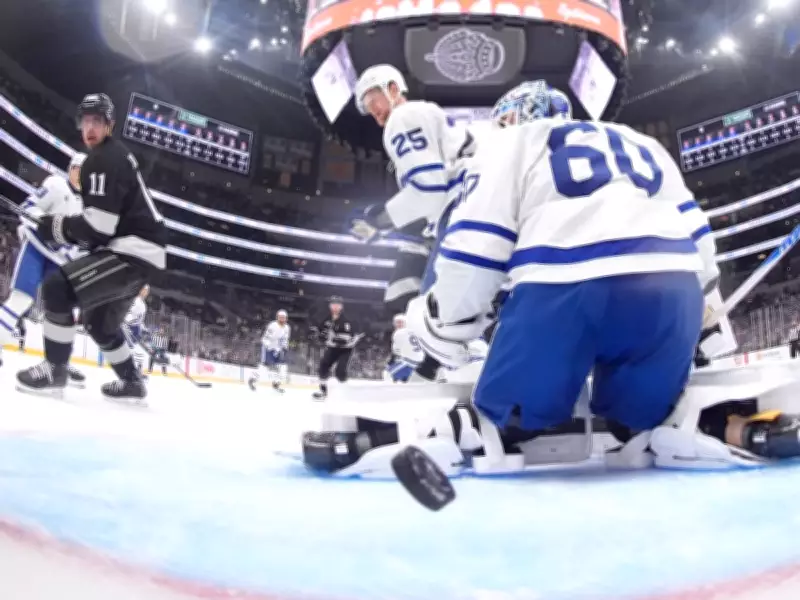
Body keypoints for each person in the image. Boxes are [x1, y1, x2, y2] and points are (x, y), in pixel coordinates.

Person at [15, 93, 167, 403]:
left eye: (97, 121)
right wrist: (64, 229)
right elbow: (99, 230)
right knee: (100, 325)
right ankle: (132, 382)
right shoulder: (112, 157)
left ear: (110, 125)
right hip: (142, 252)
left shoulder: (102, 158)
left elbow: (98, 227)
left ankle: (55, 369)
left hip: (131, 250)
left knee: (58, 286)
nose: (90, 128)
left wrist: (56, 226)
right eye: (86, 121)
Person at [350, 64, 475, 312]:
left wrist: (381, 219)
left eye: (373, 101)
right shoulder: (424, 112)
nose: (373, 112)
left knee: (433, 316)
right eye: (367, 108)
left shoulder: (402, 117)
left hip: (462, 218)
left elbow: (429, 190)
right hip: (472, 211)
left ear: (393, 89)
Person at [0, 152, 88, 388]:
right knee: (20, 299)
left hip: (58, 261)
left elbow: (82, 242)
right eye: (77, 169)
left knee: (61, 315)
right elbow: (28, 207)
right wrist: (44, 223)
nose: (80, 175)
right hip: (36, 249)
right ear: (70, 169)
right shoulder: (56, 185)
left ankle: (59, 363)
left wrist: (70, 250)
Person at [312, 297, 361, 400]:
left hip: (346, 349)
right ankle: (323, 391)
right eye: (333, 304)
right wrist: (318, 336)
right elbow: (320, 333)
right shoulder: (326, 319)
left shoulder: (348, 319)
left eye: (337, 305)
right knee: (323, 367)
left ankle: (346, 393)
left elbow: (354, 335)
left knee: (340, 372)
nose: (335, 307)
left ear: (341, 307)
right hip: (333, 347)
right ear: (330, 306)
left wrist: (343, 339)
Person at [248, 309, 290, 393]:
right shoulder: (272, 325)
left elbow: (285, 339)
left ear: (286, 318)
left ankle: (276, 385)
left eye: (284, 317)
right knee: (265, 366)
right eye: (280, 317)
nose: (282, 319)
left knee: (283, 367)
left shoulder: (287, 328)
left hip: (279, 349)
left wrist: (284, 347)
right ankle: (252, 379)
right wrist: (269, 348)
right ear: (277, 317)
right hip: (268, 347)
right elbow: (266, 338)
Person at [384, 313, 424, 383]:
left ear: (406, 322)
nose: (399, 324)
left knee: (388, 374)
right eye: (397, 322)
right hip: (420, 362)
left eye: (401, 322)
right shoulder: (415, 331)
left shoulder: (398, 333)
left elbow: (396, 352)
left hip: (409, 362)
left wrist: (390, 363)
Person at [123, 285, 150, 378]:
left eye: (147, 291)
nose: (145, 292)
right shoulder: (135, 300)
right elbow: (128, 314)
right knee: (133, 351)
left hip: (135, 329)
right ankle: (131, 372)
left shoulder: (143, 304)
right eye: (144, 290)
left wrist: (144, 329)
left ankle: (136, 371)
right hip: (129, 328)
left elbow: (140, 320)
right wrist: (127, 324)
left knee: (139, 352)